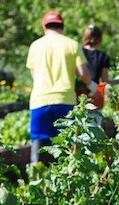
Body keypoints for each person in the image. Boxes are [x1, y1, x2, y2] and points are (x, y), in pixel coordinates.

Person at [26, 11, 98, 163]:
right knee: (67, 146)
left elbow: (35, 75)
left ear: (44, 27)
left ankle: (36, 178)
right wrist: (92, 86)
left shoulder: (35, 46)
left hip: (40, 101)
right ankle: (67, 181)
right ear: (62, 26)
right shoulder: (71, 44)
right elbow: (83, 74)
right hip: (65, 101)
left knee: (38, 144)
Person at [76, 25, 111, 110]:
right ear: (99, 39)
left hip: (77, 93)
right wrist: (117, 80)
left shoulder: (78, 52)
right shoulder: (103, 56)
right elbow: (104, 81)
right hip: (94, 94)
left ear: (85, 37)